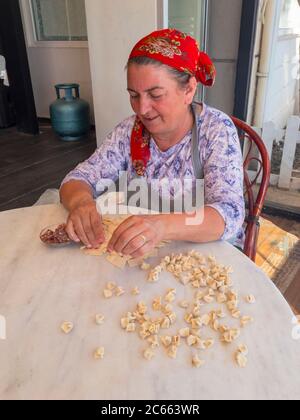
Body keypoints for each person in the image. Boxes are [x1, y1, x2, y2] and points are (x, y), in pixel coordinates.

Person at [60, 29, 245, 258]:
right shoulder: (129, 132)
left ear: (188, 89)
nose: (142, 109)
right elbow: (77, 179)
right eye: (134, 95)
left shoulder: (215, 130)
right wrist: (81, 203)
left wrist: (162, 226)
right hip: (143, 255)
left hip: (204, 255)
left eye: (155, 95)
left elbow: (230, 214)